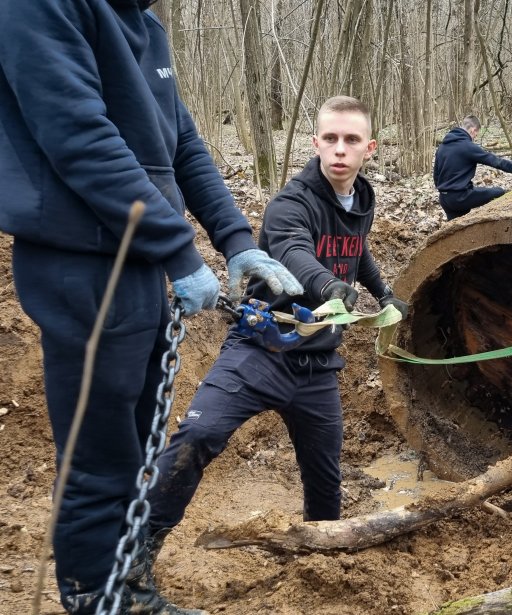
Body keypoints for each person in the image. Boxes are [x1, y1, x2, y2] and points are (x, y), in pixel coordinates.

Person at [0, 2, 303, 613]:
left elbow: (182, 142)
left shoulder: (145, 21)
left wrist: (236, 241)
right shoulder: (41, 7)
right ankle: (95, 595)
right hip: (80, 258)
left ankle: (127, 588)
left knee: (137, 442)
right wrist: (177, 249)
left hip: (138, 258)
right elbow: (78, 135)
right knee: (100, 451)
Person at [146, 96, 408, 556]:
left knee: (326, 481)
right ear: (316, 143)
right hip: (259, 349)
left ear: (370, 147)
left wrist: (382, 291)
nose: (340, 149)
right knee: (199, 436)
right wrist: (328, 286)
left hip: (318, 365)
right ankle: (140, 548)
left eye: (351, 140)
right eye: (330, 139)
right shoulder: (291, 203)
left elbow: (357, 246)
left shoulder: (362, 197)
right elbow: (292, 251)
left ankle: (317, 558)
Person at [433, 115, 512, 220]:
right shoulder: (468, 147)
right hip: (460, 198)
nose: (474, 138)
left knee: (457, 228)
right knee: (499, 192)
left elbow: (436, 177)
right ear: (473, 130)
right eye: (476, 135)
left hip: (444, 199)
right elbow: (498, 162)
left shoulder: (442, 147)